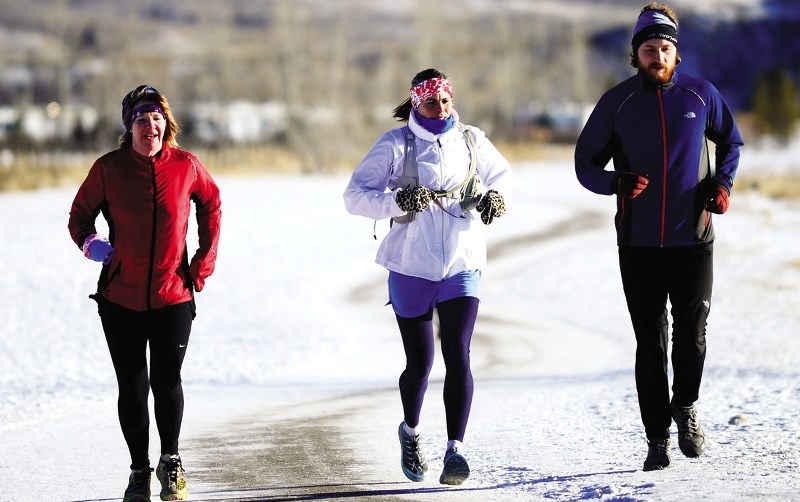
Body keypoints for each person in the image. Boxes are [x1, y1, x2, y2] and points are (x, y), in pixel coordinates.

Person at [575, 3, 743, 471]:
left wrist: (722, 184)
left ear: (676, 54)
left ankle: (685, 406)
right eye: (649, 49)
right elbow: (584, 164)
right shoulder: (618, 102)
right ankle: (656, 439)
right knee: (650, 343)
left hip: (694, 239)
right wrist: (616, 183)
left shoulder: (700, 95)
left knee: (691, 337)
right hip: (639, 243)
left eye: (665, 48)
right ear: (636, 55)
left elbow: (732, 141)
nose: (657, 56)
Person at [343, 68, 512, 485]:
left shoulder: (471, 140)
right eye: (431, 101)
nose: (441, 108)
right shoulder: (396, 144)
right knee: (420, 363)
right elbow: (354, 197)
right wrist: (396, 199)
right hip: (411, 265)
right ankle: (412, 431)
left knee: (458, 351)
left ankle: (455, 451)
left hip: (461, 261)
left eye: (446, 100)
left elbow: (503, 177)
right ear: (415, 103)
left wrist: (495, 199)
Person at [68, 84, 221, 501]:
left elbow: (211, 203)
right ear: (129, 127)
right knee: (132, 386)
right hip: (120, 297)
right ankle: (139, 472)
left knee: (167, 381)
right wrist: (90, 244)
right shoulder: (110, 169)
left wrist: (202, 263)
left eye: (156, 118)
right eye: (140, 118)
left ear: (166, 125)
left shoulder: (186, 166)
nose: (149, 125)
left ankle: (170, 464)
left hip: (174, 293)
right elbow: (79, 215)